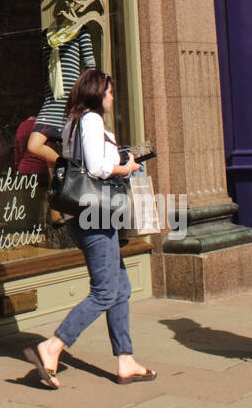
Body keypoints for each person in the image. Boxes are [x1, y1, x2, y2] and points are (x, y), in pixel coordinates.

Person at [23, 69, 156, 389]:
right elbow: (97, 167)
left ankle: (125, 359)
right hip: (95, 215)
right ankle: (52, 345)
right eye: (109, 92)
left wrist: (122, 154)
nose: (112, 97)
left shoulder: (73, 121)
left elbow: (87, 160)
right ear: (97, 93)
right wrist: (127, 167)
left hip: (89, 214)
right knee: (105, 291)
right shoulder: (91, 120)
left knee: (121, 287)